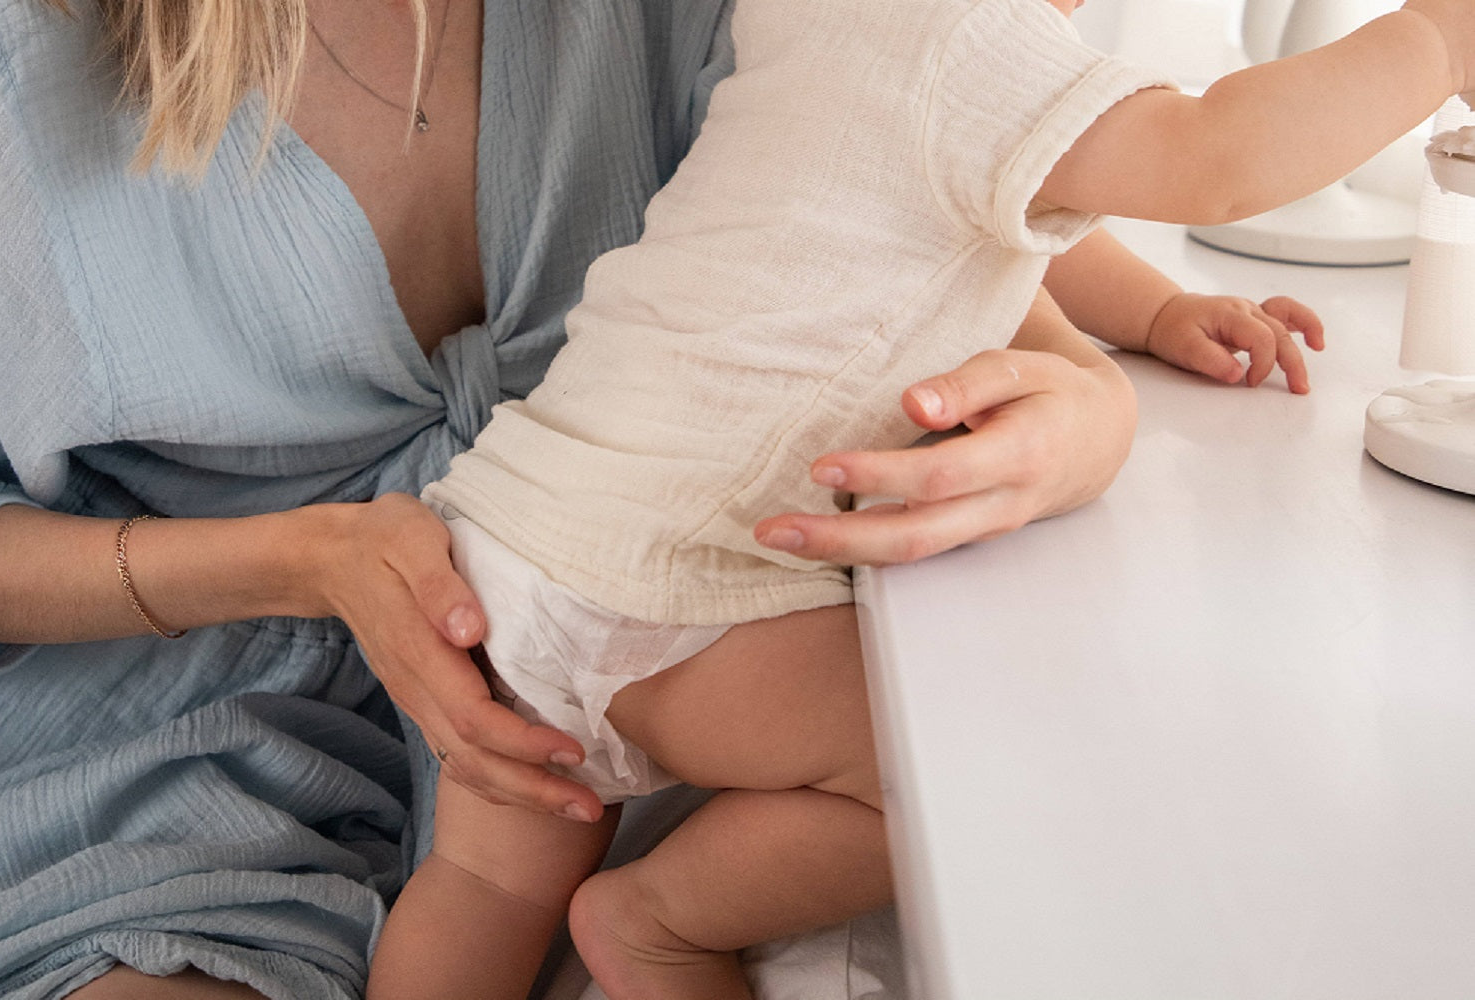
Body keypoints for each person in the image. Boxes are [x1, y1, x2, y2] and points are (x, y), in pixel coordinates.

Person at [0, 0, 1260, 997]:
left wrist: (1091, 413)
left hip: (631, 688)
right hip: (171, 748)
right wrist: (303, 560)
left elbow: (910, 162)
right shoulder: (10, 59)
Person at [367, 0, 1475, 996]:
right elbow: (1219, 157)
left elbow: (984, 200)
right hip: (669, 593)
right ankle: (660, 921)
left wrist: (1154, 313)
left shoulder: (839, 22)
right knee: (966, 765)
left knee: (484, 888)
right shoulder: (972, 34)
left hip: (514, 545)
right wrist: (1439, 38)